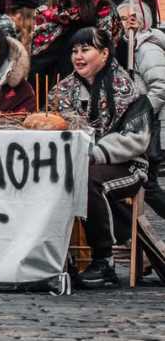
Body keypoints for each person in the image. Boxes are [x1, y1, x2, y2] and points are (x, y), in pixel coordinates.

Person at [49, 27, 152, 288]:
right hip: (71, 164)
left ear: (105, 53)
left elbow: (136, 138)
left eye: (86, 49)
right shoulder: (62, 90)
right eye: (74, 51)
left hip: (126, 165)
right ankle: (57, 258)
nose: (78, 56)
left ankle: (103, 259)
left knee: (89, 181)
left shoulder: (129, 87)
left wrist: (93, 154)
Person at [31, 0, 120, 107]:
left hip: (89, 95)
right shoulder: (47, 14)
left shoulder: (101, 10)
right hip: (46, 94)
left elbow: (108, 55)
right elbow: (35, 58)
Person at [115, 0, 165, 219]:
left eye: (130, 19)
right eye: (122, 19)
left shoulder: (146, 48)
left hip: (148, 126)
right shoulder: (129, 48)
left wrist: (140, 115)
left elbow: (160, 87)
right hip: (141, 126)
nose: (126, 24)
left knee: (148, 184)